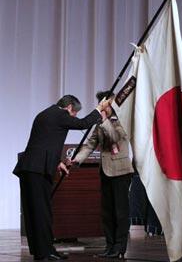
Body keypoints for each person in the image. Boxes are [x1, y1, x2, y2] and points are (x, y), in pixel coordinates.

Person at [13, 94, 111, 261]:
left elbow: (45, 142)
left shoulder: (46, 114)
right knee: (42, 211)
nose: (73, 117)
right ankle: (46, 252)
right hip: (37, 170)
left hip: (30, 167)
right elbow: (84, 123)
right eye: (74, 114)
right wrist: (99, 109)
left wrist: (58, 163)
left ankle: (40, 250)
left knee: (34, 211)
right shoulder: (60, 115)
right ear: (69, 108)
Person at [68, 91, 134, 259]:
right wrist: (76, 160)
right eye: (101, 104)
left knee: (120, 211)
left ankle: (120, 247)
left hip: (121, 172)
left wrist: (104, 121)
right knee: (107, 212)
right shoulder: (100, 125)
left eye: (105, 103)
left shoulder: (122, 121)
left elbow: (114, 137)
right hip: (105, 171)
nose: (103, 107)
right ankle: (110, 246)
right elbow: (90, 144)